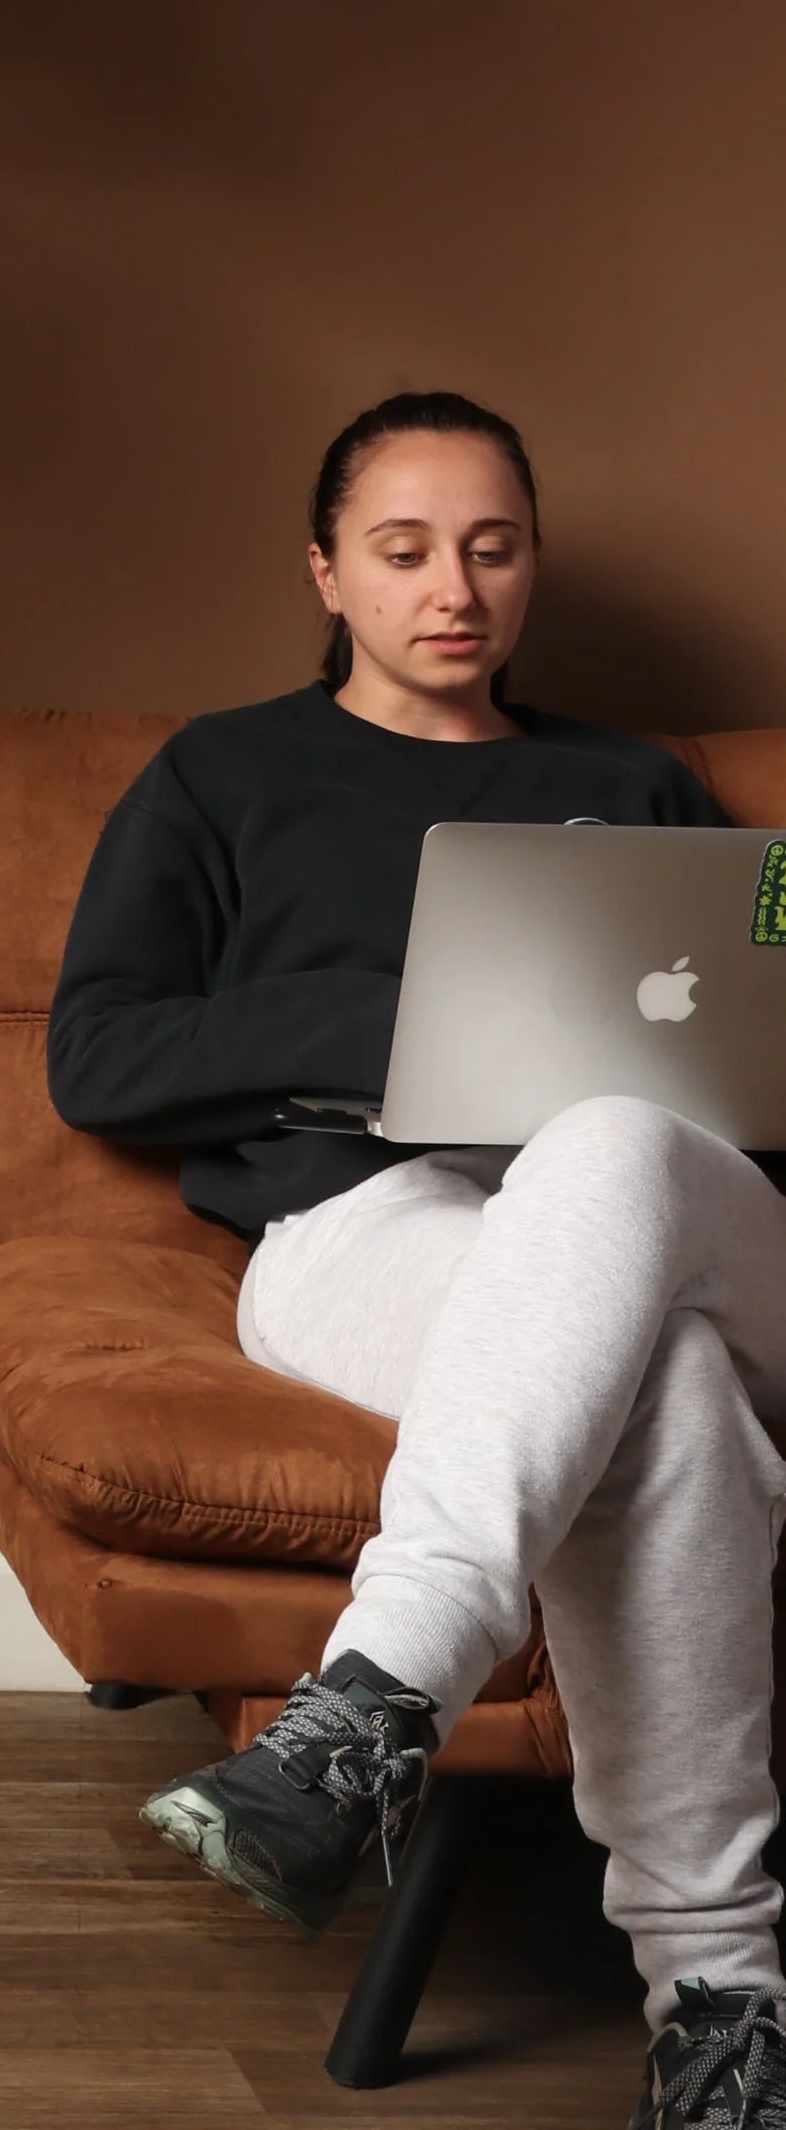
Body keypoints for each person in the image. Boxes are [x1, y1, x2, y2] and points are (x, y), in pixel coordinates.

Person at [47, 390, 786, 2130]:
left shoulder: (637, 785)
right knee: (658, 1391)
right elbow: (100, 1055)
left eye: (493, 545)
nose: (454, 585)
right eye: (403, 549)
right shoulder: (222, 773)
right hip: (364, 1224)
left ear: (531, 564)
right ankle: (725, 2005)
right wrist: (414, 1024)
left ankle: (369, 1707)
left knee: (611, 1142)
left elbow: (748, 1090)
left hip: (690, 1222)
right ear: (325, 569)